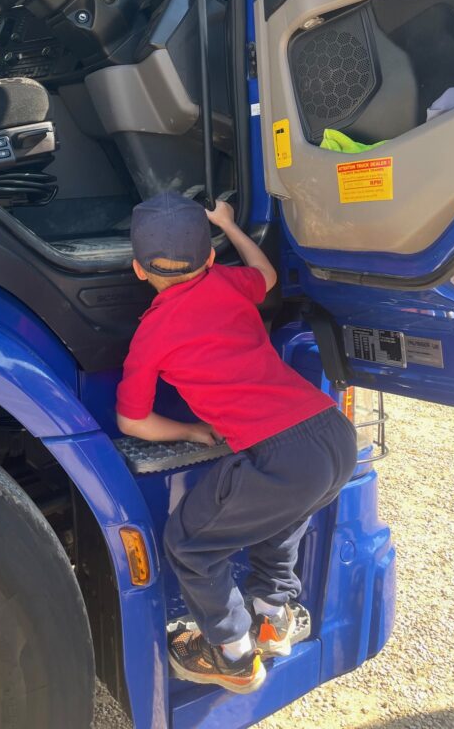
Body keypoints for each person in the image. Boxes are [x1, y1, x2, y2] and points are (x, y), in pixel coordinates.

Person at [116, 191, 358, 694]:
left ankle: (231, 652)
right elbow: (267, 276)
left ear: (138, 270)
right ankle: (271, 616)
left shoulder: (152, 333)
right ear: (208, 258)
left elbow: (133, 421)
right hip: (333, 432)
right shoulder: (226, 281)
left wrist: (189, 430)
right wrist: (228, 225)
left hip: (282, 454)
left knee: (190, 544)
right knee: (282, 519)